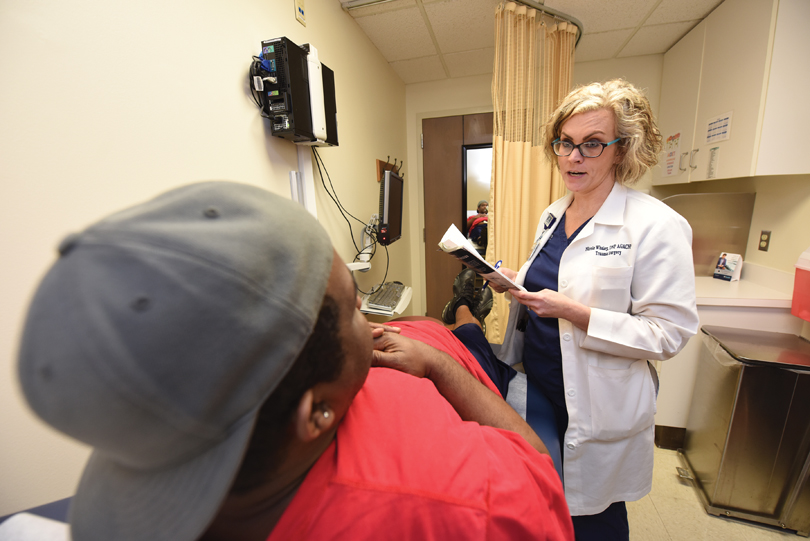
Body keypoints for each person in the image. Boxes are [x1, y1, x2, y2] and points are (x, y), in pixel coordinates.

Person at [17, 181, 573, 541]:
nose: (371, 318)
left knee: (450, 321)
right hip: (445, 360)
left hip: (423, 348)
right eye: (356, 308)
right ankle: (464, 322)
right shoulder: (462, 505)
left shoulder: (154, 448)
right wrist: (437, 365)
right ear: (319, 413)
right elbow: (540, 478)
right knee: (465, 331)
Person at [490, 79, 700, 539]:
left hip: (598, 400)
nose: (572, 157)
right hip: (541, 383)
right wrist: (512, 285)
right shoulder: (553, 213)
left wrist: (576, 313)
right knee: (550, 502)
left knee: (595, 516)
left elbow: (669, 333)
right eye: (565, 143)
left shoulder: (655, 225)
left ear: (621, 151)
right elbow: (548, 284)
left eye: (592, 144)